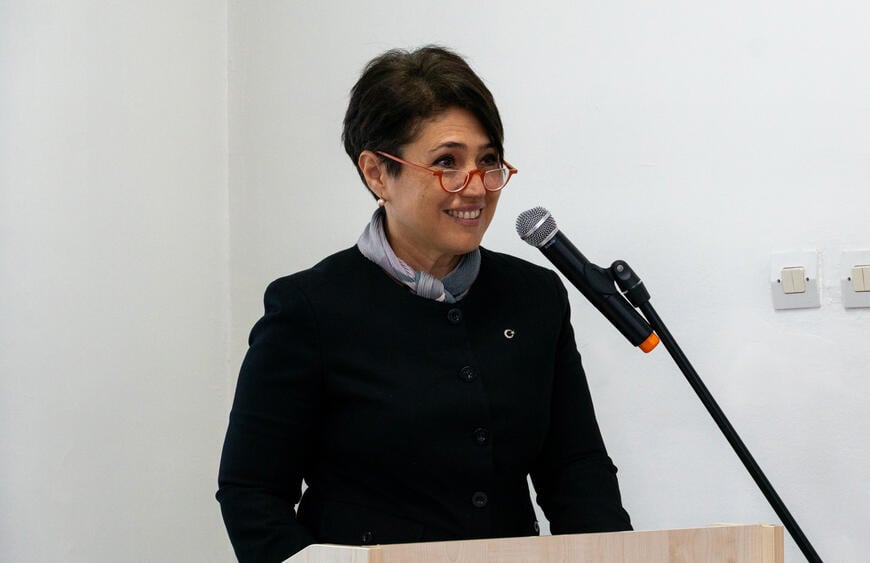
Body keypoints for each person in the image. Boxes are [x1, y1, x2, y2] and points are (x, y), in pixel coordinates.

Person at [216, 45, 631, 563]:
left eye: (488, 161)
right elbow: (251, 493)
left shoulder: (534, 296)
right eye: (446, 163)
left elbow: (577, 470)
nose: (475, 187)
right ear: (375, 173)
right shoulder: (308, 309)